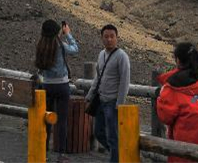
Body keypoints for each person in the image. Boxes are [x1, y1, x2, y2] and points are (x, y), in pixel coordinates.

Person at [85, 24, 131, 162]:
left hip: (113, 102)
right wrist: (90, 95)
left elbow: (125, 81)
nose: (109, 39)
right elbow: (97, 77)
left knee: (113, 135)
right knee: (98, 132)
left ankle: (116, 158)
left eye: (112, 36)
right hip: (101, 100)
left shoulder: (122, 56)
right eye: (106, 37)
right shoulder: (101, 54)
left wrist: (120, 103)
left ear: (117, 38)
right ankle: (118, 153)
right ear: (101, 38)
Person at [35, 20, 79, 157]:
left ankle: (44, 151)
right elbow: (75, 49)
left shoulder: (40, 45)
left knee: (45, 119)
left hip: (46, 85)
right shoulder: (60, 45)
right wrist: (68, 34)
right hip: (62, 86)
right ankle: (61, 154)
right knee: (62, 121)